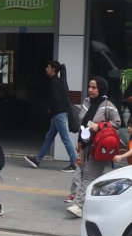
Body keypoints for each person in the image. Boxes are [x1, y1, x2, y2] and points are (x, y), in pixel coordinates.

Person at [67, 76, 121, 218]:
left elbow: (117, 122)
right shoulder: (87, 102)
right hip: (84, 146)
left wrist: (100, 126)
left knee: (88, 176)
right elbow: (82, 125)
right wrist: (79, 146)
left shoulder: (108, 104)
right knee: (80, 174)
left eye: (94, 87)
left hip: (97, 148)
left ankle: (79, 206)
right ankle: (102, 202)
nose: (90, 90)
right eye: (89, 87)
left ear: (101, 89)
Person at [24, 60, 78, 172]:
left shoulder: (54, 82)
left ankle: (74, 163)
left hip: (58, 114)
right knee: (49, 137)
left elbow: (57, 98)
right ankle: (37, 160)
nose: (46, 69)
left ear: (53, 69)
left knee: (65, 139)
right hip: (58, 114)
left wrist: (49, 108)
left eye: (48, 67)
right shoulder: (58, 81)